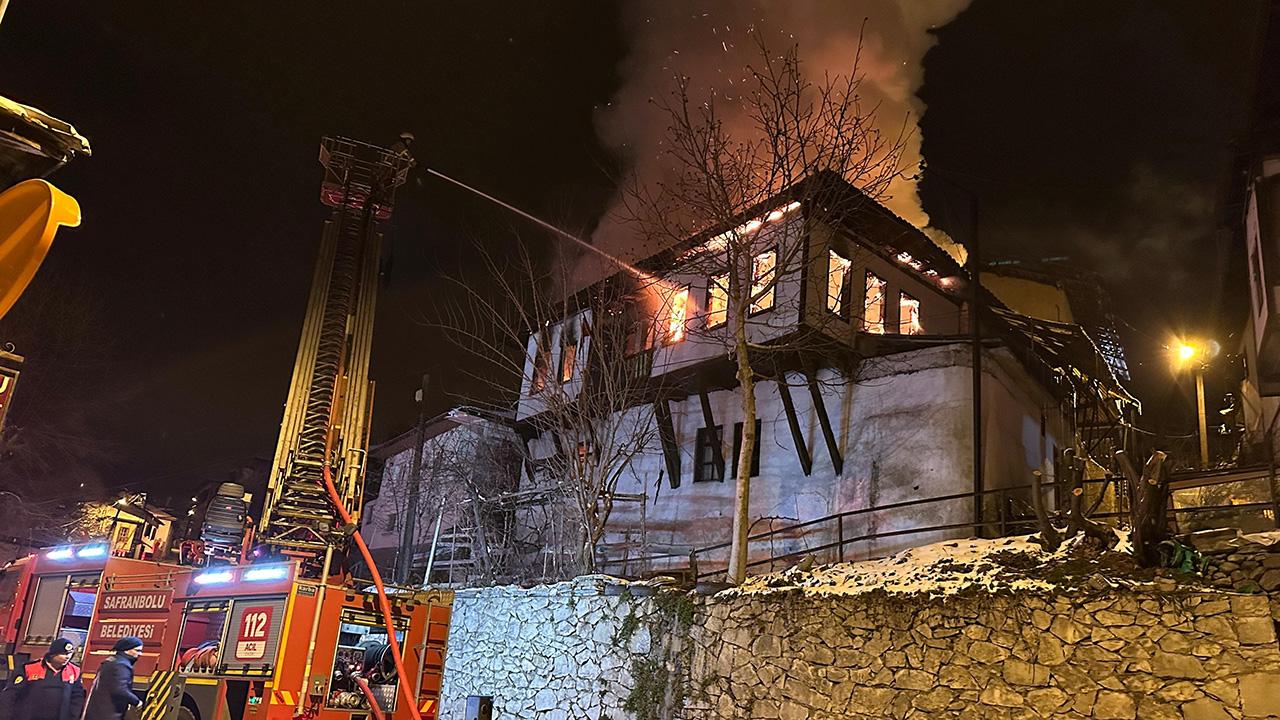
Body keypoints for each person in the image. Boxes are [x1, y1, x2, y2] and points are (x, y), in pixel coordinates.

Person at [0, 638, 86, 720]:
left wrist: (73, 717)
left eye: (69, 653)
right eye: (63, 654)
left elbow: (77, 698)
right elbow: (10, 695)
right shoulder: (29, 668)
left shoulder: (74, 671)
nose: (67, 657)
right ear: (52, 654)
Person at [84, 637, 142, 720]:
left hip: (98, 711)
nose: (140, 654)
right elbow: (120, 689)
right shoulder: (122, 665)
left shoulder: (110, 660)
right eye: (137, 650)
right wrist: (137, 702)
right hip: (110, 714)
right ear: (126, 649)